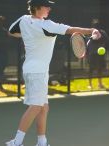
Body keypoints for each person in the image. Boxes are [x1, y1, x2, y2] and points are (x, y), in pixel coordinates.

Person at [6, 0, 101, 146]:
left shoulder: (23, 20)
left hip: (35, 70)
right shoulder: (47, 25)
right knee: (36, 106)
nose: (49, 8)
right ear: (37, 7)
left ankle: (42, 142)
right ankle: (16, 142)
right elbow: (70, 29)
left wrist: (27, 35)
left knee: (44, 106)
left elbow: (11, 31)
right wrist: (91, 31)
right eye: (46, 6)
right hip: (37, 71)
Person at [86, 18, 109, 90]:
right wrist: (86, 53)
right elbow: (87, 43)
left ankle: (100, 84)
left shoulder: (102, 32)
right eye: (94, 25)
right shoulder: (90, 33)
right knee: (91, 69)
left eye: (97, 25)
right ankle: (90, 84)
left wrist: (99, 37)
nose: (96, 26)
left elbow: (106, 39)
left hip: (100, 54)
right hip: (92, 54)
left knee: (100, 69)